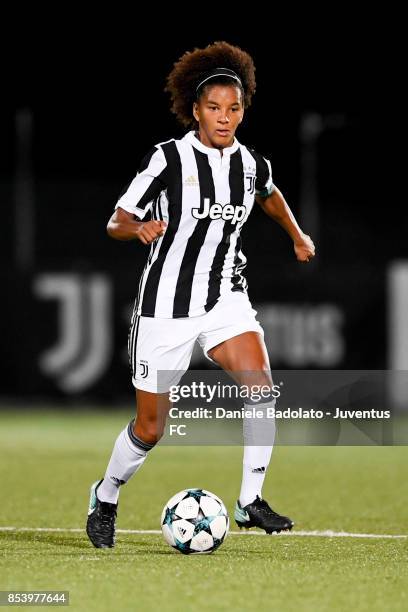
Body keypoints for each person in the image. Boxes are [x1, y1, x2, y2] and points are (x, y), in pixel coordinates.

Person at [86, 41, 315, 548]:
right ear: (195, 110)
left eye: (234, 108)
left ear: (242, 110)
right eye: (214, 107)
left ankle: (249, 501)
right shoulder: (167, 159)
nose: (225, 117)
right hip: (165, 308)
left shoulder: (250, 164)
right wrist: (138, 229)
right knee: (150, 428)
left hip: (225, 298)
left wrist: (296, 235)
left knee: (260, 387)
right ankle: (105, 496)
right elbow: (115, 221)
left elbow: (270, 197)